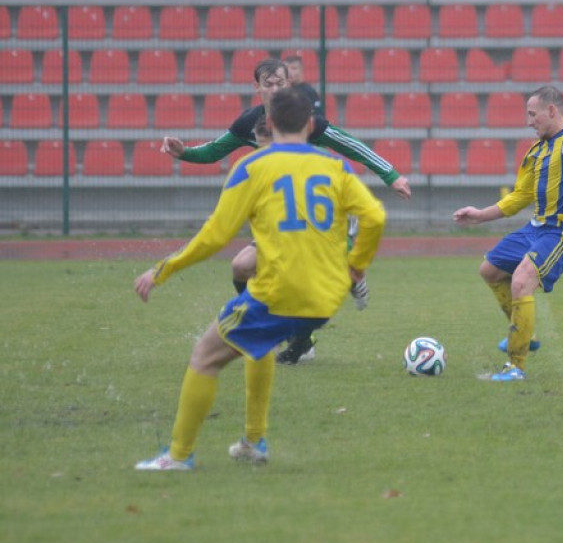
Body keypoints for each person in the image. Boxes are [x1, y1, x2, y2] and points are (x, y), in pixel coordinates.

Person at [134, 86, 386, 470]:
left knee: (204, 357)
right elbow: (375, 217)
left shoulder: (252, 168)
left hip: (279, 293)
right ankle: (253, 442)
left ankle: (178, 456)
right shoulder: (335, 167)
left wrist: (162, 269)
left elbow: (214, 237)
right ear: (311, 124)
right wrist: (357, 263)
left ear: (267, 123)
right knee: (259, 344)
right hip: (325, 299)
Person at [161, 58, 410, 362]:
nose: (276, 90)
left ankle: (340, 280)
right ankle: (275, 327)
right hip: (281, 220)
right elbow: (214, 150)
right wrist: (185, 152)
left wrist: (391, 175)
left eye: (281, 83)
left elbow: (350, 145)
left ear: (289, 85)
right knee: (241, 267)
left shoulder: (303, 121)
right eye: (269, 84)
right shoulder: (249, 124)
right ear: (257, 89)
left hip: (317, 217)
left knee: (303, 279)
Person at [452, 85, 563, 382]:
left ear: (551, 110)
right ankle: (524, 331)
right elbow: (520, 196)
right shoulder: (535, 152)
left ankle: (515, 365)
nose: (528, 121)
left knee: (521, 281)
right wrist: (481, 215)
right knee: (490, 270)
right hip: (535, 228)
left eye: (532, 114)